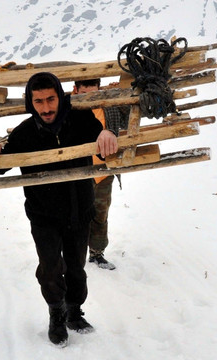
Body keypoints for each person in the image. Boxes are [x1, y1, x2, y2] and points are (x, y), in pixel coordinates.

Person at [0, 72, 118, 346]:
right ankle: (56, 312)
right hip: (43, 216)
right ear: (31, 103)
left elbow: (102, 144)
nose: (46, 107)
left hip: (80, 210)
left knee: (77, 267)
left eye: (51, 99)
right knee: (51, 268)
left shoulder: (81, 119)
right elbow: (3, 164)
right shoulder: (24, 133)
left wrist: (107, 133)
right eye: (39, 101)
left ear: (60, 96)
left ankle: (74, 310)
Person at [73, 79, 130, 271]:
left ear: (100, 89)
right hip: (78, 172)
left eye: (94, 91)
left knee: (100, 213)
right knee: (75, 213)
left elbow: (128, 115)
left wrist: (123, 92)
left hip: (104, 171)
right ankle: (73, 253)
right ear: (76, 90)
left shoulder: (109, 105)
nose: (90, 96)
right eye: (84, 92)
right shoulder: (69, 108)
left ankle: (97, 253)